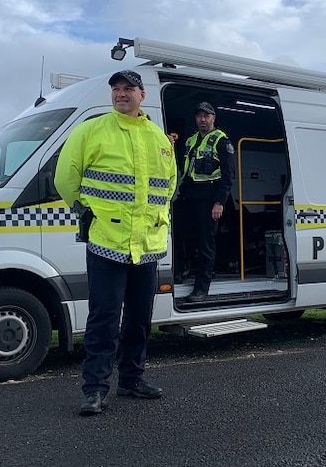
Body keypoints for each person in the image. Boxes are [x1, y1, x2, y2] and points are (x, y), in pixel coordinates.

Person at [54, 69, 176, 416]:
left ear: (142, 95)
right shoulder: (91, 130)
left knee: (139, 318)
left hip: (147, 246)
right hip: (107, 241)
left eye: (128, 89)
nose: (121, 94)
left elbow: (169, 185)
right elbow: (66, 177)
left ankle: (132, 380)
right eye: (116, 89)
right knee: (104, 319)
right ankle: (94, 389)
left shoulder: (159, 140)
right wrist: (86, 209)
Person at [177, 102, 237, 302]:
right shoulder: (191, 140)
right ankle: (180, 272)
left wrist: (219, 202)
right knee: (178, 234)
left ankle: (201, 288)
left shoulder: (222, 141)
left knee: (205, 243)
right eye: (199, 116)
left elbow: (229, 176)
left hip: (209, 200)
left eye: (206, 116)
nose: (203, 119)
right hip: (188, 197)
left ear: (213, 118)